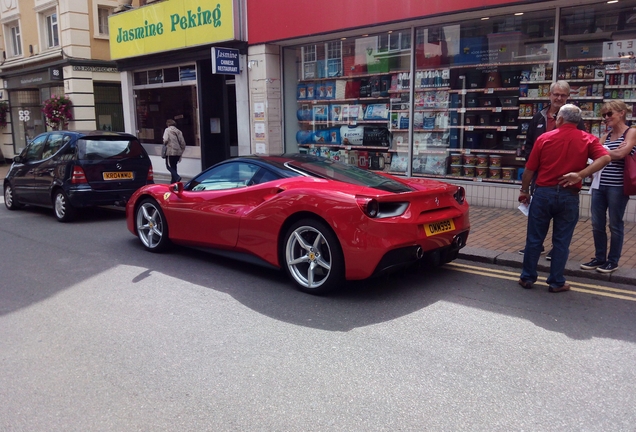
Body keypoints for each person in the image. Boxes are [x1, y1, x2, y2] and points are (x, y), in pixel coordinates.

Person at [518, 104, 610, 293]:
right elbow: (605, 158)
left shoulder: (544, 138)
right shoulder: (588, 139)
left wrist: (524, 190)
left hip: (543, 194)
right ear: (578, 121)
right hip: (569, 195)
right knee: (561, 241)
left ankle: (527, 278)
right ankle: (556, 281)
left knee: (535, 239)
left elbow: (530, 169)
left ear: (559, 119)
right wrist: (581, 174)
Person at [518, 80, 586, 260]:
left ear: (568, 97)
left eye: (563, 95)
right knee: (536, 212)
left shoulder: (576, 119)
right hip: (539, 174)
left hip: (564, 177)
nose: (559, 98)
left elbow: (582, 145)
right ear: (549, 95)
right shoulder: (538, 117)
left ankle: (556, 250)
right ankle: (535, 246)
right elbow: (529, 144)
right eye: (556, 94)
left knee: (561, 216)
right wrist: (531, 165)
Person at [580, 101, 636, 274]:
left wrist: (603, 153)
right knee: (597, 223)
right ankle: (599, 258)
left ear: (621, 113)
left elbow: (621, 153)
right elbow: (594, 155)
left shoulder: (631, 132)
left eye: (609, 114)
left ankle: (613, 261)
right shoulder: (605, 137)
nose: (606, 118)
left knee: (615, 224)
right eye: (603, 115)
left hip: (617, 186)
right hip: (599, 185)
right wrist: (608, 153)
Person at [163, 119, 186, 183]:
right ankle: (173, 181)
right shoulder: (179, 131)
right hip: (178, 152)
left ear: (168, 124)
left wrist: (164, 144)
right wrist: (181, 151)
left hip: (170, 152)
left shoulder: (167, 130)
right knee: (174, 166)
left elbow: (165, 139)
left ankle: (176, 177)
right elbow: (183, 143)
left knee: (168, 166)